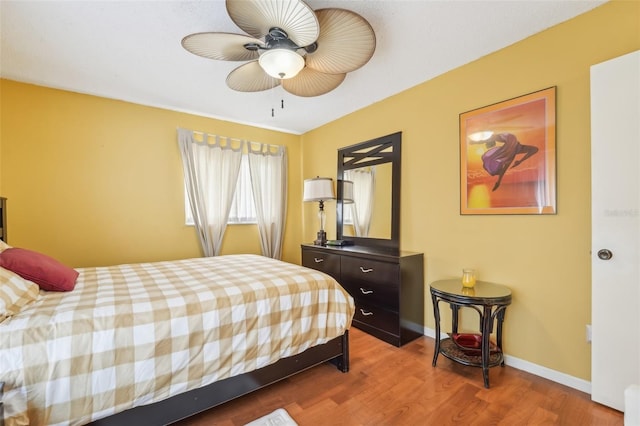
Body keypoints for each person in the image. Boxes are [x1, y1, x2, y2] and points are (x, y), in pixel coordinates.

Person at [470, 132, 538, 191]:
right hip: (514, 145)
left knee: (494, 139)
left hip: (510, 142)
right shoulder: (509, 157)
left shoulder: (506, 154)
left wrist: (475, 142)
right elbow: (503, 171)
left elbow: (503, 171)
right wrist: (520, 161)